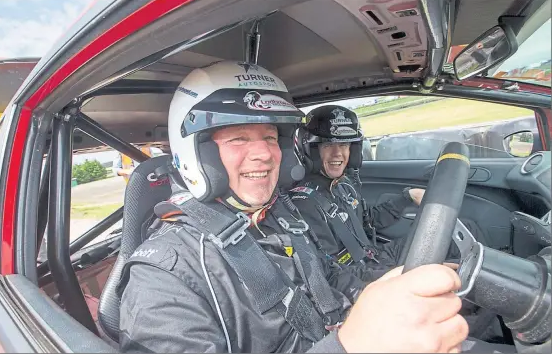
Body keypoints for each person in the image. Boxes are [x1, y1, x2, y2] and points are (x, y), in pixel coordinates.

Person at [117, 61, 510, 353]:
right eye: (238, 139)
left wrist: (390, 290)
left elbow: (331, 283)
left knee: (475, 306)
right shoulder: (164, 277)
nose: (264, 155)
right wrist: (351, 344)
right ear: (198, 154)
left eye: (271, 138)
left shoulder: (280, 217)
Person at [293, 105, 428, 281]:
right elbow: (332, 274)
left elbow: (366, 222)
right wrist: (398, 276)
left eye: (344, 145)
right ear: (311, 150)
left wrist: (408, 196)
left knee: (440, 236)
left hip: (374, 257)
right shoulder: (303, 203)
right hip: (358, 278)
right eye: (328, 145)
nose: (338, 154)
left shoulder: (344, 185)